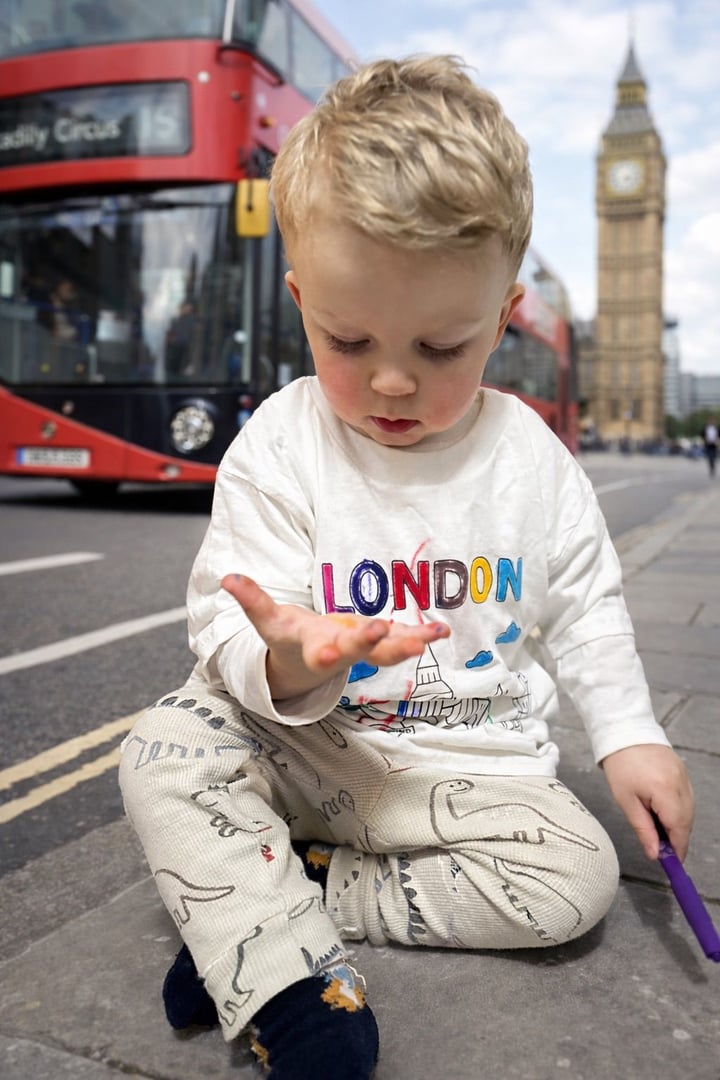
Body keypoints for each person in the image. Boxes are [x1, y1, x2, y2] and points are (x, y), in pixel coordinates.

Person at [119, 56, 694, 1080]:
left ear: (505, 312)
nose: (392, 379)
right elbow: (225, 623)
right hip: (317, 752)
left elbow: (588, 607)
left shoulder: (530, 458)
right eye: (348, 339)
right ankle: (293, 982)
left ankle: (272, 899)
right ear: (300, 299)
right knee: (164, 744)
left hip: (469, 775)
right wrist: (290, 659)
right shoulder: (281, 443)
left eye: (442, 344)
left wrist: (631, 737)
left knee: (578, 884)